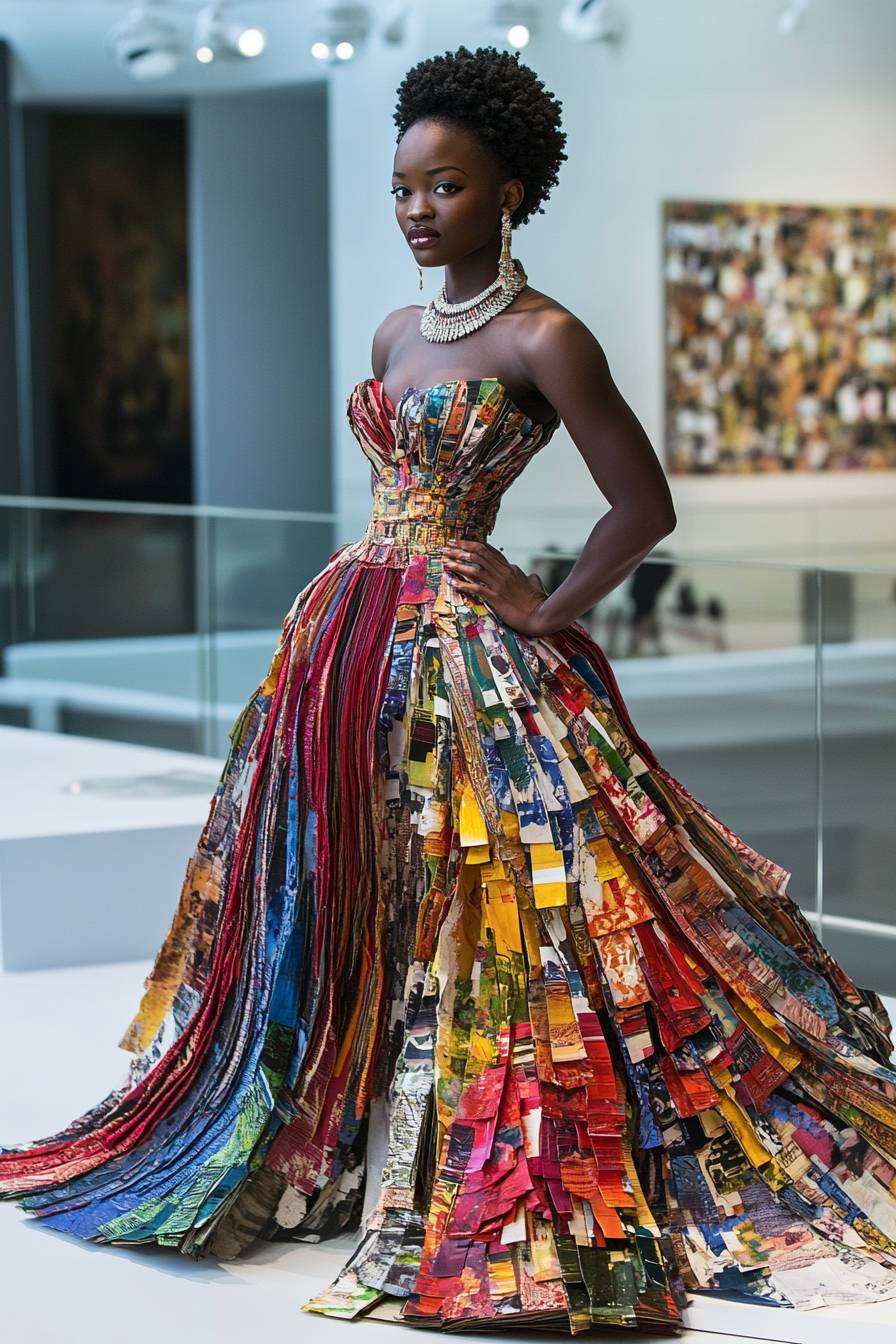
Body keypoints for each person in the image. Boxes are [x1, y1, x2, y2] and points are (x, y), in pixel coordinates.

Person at [2, 44, 896, 1334]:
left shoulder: (546, 336)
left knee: (500, 901)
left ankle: (495, 1163)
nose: (422, 210)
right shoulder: (393, 332)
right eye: (406, 190)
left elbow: (641, 505)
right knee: (343, 882)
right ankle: (338, 1139)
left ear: (510, 192)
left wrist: (544, 605)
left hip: (475, 653)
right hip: (348, 635)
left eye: (449, 187)